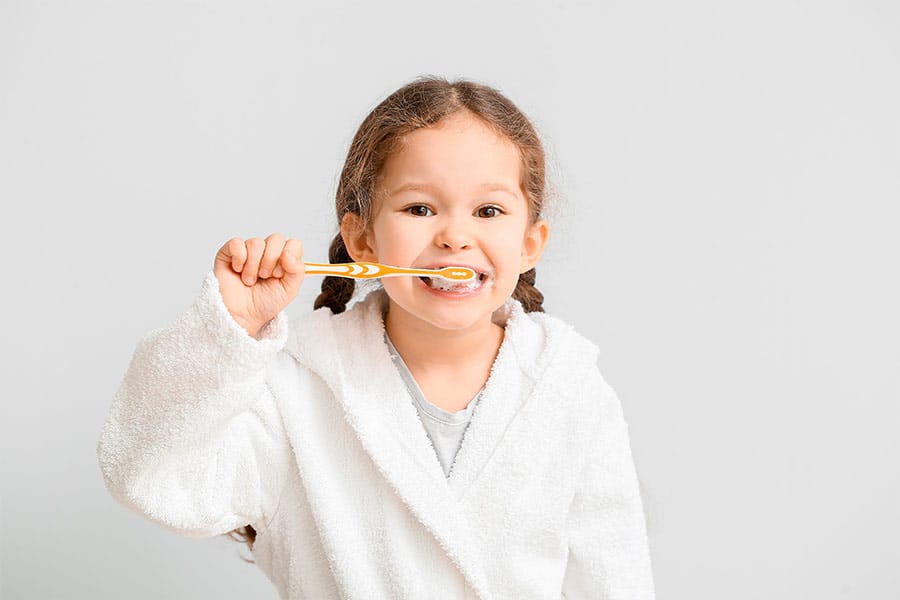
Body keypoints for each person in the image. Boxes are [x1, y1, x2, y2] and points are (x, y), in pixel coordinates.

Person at [96, 75, 656, 599]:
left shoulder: (569, 390)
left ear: (530, 244)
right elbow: (151, 477)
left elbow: (614, 581)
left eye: (488, 210)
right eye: (419, 208)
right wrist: (226, 335)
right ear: (362, 239)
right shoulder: (295, 390)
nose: (455, 236)